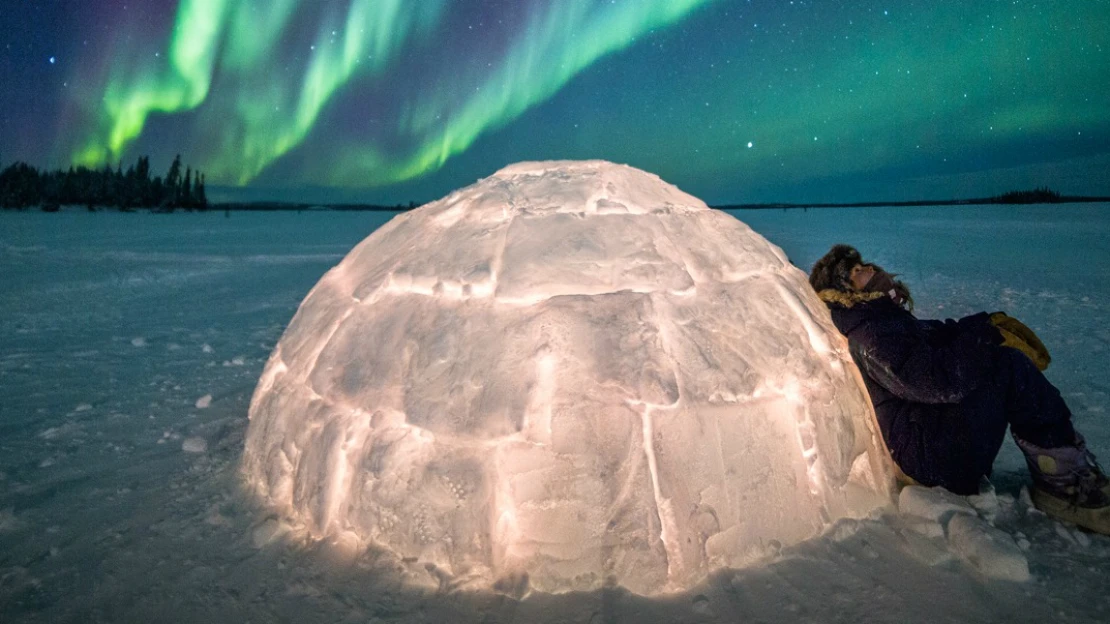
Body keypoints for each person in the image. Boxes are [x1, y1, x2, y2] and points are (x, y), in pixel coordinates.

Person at [809, 244, 1109, 534]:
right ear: (847, 290)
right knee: (1005, 366)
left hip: (930, 439)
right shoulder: (871, 332)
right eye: (858, 271)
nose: (870, 268)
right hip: (931, 457)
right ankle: (1064, 484)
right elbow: (935, 380)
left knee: (1002, 362)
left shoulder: (881, 318)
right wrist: (987, 339)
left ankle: (1065, 470)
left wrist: (984, 324)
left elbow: (936, 335)